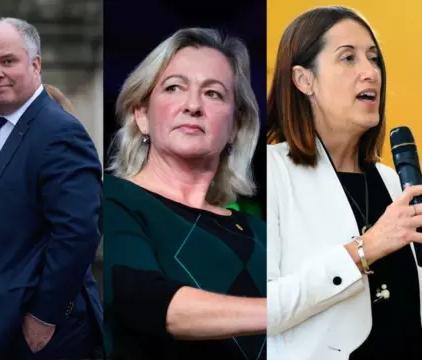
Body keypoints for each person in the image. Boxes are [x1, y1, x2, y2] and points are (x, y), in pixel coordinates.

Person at [267, 6, 422, 360]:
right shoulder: (270, 173)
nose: (371, 72)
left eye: (374, 59)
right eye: (348, 58)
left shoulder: (396, 182)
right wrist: (365, 248)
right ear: (304, 80)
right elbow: (261, 308)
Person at [104, 27, 267, 360]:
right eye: (174, 88)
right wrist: (292, 308)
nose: (193, 105)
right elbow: (144, 300)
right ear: (141, 115)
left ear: (235, 126)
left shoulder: (264, 234)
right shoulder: (112, 198)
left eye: (213, 94)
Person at [0, 17, 103, 360]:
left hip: (42, 338)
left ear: (35, 65)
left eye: (8, 61)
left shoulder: (59, 132)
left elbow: (78, 232)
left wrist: (44, 315)